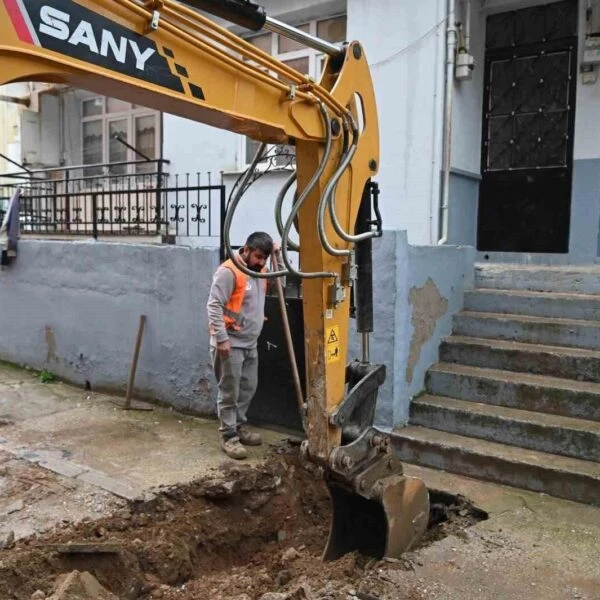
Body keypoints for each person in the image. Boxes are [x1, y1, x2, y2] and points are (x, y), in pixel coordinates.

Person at [207, 232, 282, 459]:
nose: (261, 262)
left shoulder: (259, 272)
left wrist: (279, 255)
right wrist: (221, 339)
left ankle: (238, 426)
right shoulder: (229, 272)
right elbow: (214, 306)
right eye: (258, 257)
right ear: (246, 250)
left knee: (248, 387)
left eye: (265, 258)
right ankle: (228, 435)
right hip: (230, 343)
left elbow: (282, 281)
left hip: (250, 343)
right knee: (230, 391)